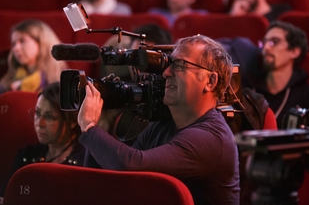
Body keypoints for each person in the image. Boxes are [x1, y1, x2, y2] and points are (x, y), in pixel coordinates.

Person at [77, 34, 240, 204]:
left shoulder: (211, 138)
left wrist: (89, 127)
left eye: (179, 65)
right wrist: (101, 124)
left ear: (210, 81)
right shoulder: (163, 126)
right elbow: (112, 181)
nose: (166, 73)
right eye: (169, 64)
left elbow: (131, 164)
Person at [0, 82, 85, 202]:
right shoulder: (27, 155)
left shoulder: (86, 161)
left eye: (50, 117)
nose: (40, 124)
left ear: (72, 121)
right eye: (38, 113)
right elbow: (5, 195)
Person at [253, 20, 309, 128]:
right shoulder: (251, 93)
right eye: (264, 42)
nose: (266, 48)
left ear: (294, 51)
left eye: (274, 41)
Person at [0, 19, 68, 95]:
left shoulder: (61, 84)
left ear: (42, 43)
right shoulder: (7, 83)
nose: (16, 48)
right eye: (14, 44)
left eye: (22, 41)